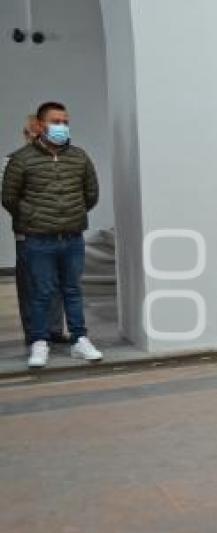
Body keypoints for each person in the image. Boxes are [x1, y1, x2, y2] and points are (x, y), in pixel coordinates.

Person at [1, 101, 103, 368]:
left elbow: (91, 194)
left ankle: (80, 339)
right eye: (56, 121)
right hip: (38, 239)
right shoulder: (21, 159)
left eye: (65, 122)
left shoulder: (79, 157)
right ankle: (39, 342)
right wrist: (33, 217)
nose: (62, 127)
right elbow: (9, 198)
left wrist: (72, 214)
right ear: (40, 125)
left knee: (72, 290)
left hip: (71, 237)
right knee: (41, 292)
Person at [4, 115, 67, 346]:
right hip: (28, 234)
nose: (37, 137)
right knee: (30, 284)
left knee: (56, 282)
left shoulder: (61, 159)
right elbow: (9, 198)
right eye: (33, 132)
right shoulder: (11, 160)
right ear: (25, 134)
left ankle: (54, 330)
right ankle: (34, 332)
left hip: (59, 233)